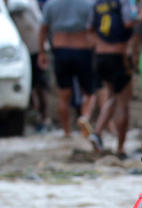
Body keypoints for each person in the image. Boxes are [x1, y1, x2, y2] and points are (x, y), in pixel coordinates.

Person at [37, 0, 97, 139]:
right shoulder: (89, 4)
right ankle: (84, 117)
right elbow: (94, 28)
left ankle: (66, 131)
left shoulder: (51, 4)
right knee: (89, 92)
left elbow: (43, 29)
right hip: (83, 50)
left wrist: (41, 52)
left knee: (63, 94)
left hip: (60, 50)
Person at [86, 0, 137, 156]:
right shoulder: (124, 2)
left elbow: (89, 29)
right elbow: (129, 22)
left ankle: (97, 132)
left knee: (113, 97)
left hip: (101, 56)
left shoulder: (97, 3)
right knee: (123, 103)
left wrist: (100, 43)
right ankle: (120, 148)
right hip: (118, 56)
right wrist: (141, 17)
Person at [7, 0, 50, 131]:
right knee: (30, 86)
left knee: (40, 85)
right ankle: (37, 116)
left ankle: (44, 118)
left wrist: (42, 50)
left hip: (33, 48)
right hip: (17, 50)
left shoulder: (23, 3)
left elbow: (41, 24)